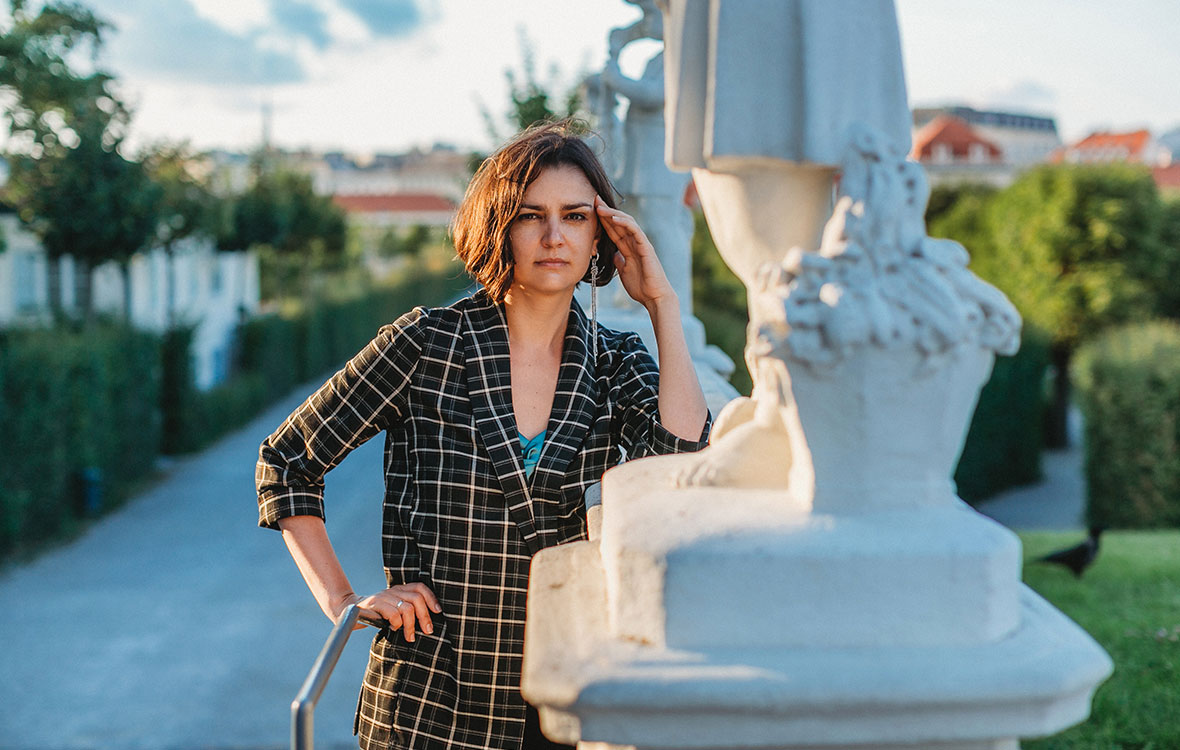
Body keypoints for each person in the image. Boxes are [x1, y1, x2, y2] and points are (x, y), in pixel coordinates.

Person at [256, 120, 710, 750]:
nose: (554, 236)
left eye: (575, 217)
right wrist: (342, 602)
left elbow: (683, 463)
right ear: (499, 226)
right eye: (531, 216)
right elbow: (287, 461)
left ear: (601, 236)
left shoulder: (614, 362)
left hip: (563, 697)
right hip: (429, 705)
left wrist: (662, 303)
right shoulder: (426, 343)